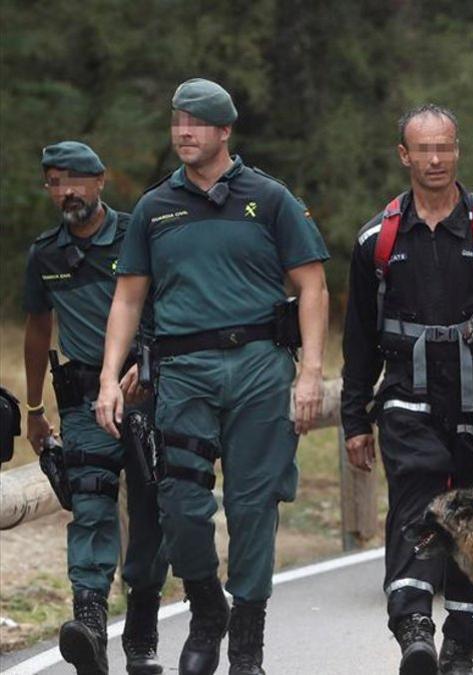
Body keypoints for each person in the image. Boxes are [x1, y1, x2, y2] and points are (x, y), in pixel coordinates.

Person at [94, 79, 330, 675]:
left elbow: (312, 287)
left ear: (224, 131)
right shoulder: (153, 207)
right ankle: (206, 608)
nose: (183, 133)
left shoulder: (270, 198)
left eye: (196, 123)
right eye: (177, 122)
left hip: (258, 368)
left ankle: (246, 646)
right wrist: (105, 378)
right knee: (180, 504)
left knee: (254, 508)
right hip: (183, 372)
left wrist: (311, 375)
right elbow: (126, 301)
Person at [340, 104, 473, 675]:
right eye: (424, 149)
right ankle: (413, 631)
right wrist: (355, 420)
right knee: (417, 501)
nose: (435, 160)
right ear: (404, 156)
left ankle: (461, 644)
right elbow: (358, 338)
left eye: (445, 148)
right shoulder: (376, 242)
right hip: (408, 399)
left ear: (457, 151)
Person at [23, 141, 169, 675]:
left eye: (74, 181)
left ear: (100, 180)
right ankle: (88, 624)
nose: (65, 192)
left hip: (148, 395)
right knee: (90, 503)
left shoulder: (139, 234)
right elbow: (39, 331)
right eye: (54, 182)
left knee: (152, 515)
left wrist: (150, 362)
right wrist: (36, 408)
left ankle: (142, 636)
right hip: (85, 403)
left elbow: (169, 301)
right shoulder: (45, 254)